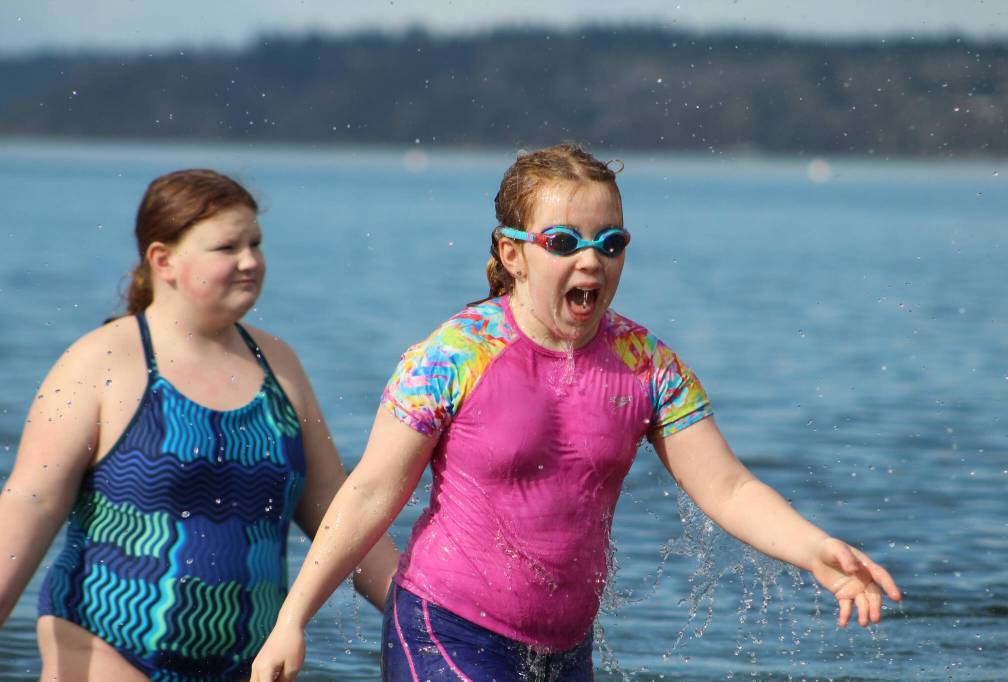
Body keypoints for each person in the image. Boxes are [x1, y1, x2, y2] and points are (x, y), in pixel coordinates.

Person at [250, 143, 902, 682]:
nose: (590, 259)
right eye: (563, 241)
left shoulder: (647, 364)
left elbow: (728, 487)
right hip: (446, 629)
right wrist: (292, 619)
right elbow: (370, 492)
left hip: (565, 650)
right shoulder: (452, 356)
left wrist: (813, 548)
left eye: (609, 242)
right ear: (512, 254)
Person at [0, 169, 398, 681]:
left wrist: (425, 619)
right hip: (105, 646)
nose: (250, 261)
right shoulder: (100, 362)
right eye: (227, 247)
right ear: (163, 261)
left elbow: (342, 512)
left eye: (256, 243)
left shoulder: (279, 364)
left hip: (248, 662)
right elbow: (33, 501)